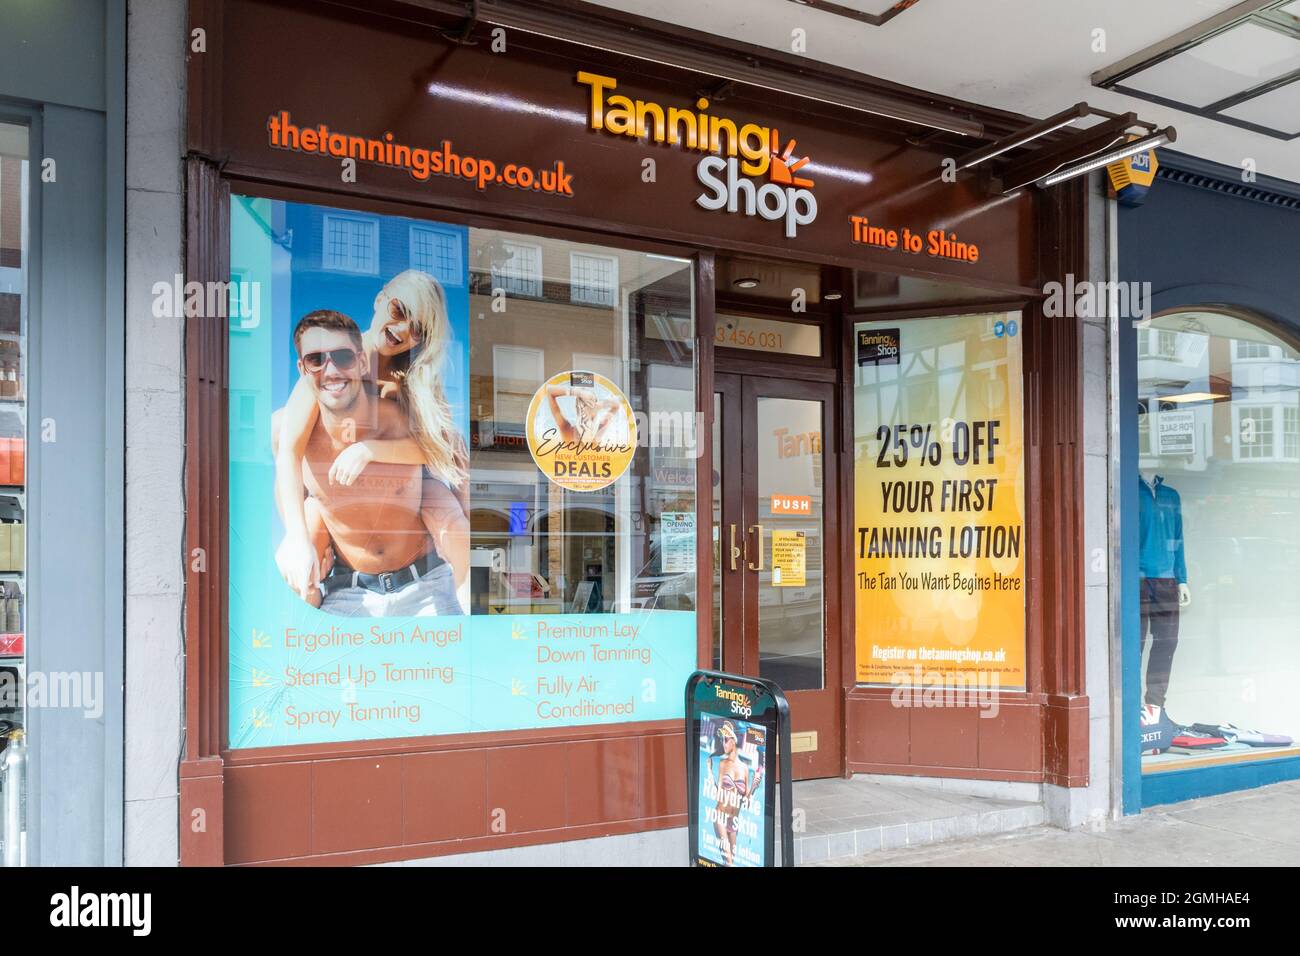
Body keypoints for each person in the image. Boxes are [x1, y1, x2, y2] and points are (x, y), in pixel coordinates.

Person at [273, 270, 468, 610]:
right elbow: (288, 447)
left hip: (407, 508)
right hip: (341, 512)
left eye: (418, 328)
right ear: (380, 300)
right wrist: (296, 535)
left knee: (454, 498)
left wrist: (369, 450)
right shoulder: (334, 358)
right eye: (398, 310)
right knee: (280, 427)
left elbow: (440, 448)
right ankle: (312, 580)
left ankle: (471, 594)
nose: (403, 329)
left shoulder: (415, 374)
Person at [707, 721, 754, 866]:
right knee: (729, 861)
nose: (723, 743)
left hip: (733, 821)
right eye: (722, 740)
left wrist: (753, 788)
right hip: (721, 816)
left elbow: (747, 800)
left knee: (731, 861)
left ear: (734, 741)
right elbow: (717, 794)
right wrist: (709, 772)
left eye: (726, 739)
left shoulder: (745, 768)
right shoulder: (722, 764)